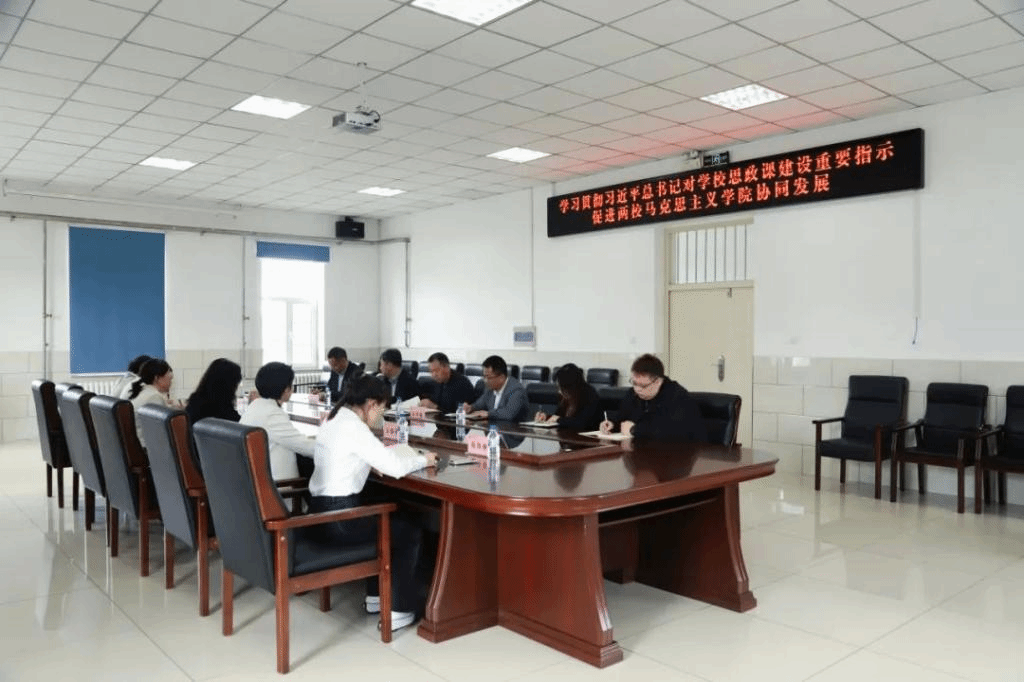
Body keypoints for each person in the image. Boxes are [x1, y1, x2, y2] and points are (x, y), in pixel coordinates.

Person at [310, 374, 436, 631]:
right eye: (382, 408)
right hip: (341, 519)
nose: (381, 415)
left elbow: (350, 458)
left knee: (385, 515)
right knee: (407, 531)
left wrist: (369, 462)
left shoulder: (334, 419)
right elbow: (395, 468)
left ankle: (375, 598)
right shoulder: (355, 428)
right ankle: (399, 609)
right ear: (370, 404)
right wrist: (426, 459)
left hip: (320, 513)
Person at [599, 354, 707, 441]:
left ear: (658, 382)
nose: (637, 389)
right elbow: (623, 418)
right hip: (640, 452)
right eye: (634, 383)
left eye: (643, 386)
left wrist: (635, 430)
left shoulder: (677, 396)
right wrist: (612, 424)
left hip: (674, 455)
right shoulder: (633, 393)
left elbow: (673, 432)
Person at [240, 362, 316, 481]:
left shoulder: (254, 406)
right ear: (286, 389)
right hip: (281, 486)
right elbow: (305, 446)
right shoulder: (272, 414)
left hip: (256, 480)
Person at [534, 363, 602, 431]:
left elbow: (582, 423)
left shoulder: (590, 395)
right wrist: (547, 417)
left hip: (583, 436)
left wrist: (558, 419)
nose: (559, 391)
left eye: (562, 388)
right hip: (566, 435)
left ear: (570, 387)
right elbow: (558, 416)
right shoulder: (566, 398)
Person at [462, 355, 529, 422]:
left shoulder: (517, 390)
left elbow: (508, 414)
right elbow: (480, 404)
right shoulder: (490, 389)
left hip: (513, 427)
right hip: (493, 426)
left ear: (501, 377)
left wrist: (488, 414)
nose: (485, 381)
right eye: (484, 377)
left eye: (488, 377)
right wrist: (470, 408)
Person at [127, 359, 174, 445]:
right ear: (157, 378)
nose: (171, 382)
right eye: (169, 378)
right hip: (147, 446)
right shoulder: (154, 397)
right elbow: (162, 428)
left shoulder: (143, 391)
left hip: (139, 442)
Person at [185, 358, 243, 424]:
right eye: (235, 385)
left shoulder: (195, 401)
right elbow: (241, 424)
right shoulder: (223, 409)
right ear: (229, 385)